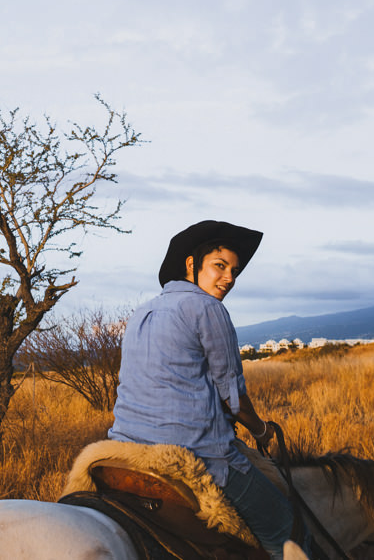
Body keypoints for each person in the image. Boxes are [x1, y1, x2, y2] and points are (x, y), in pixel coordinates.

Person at [108, 220, 295, 560]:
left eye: (234, 271)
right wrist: (262, 430)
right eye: (219, 266)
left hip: (126, 445)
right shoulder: (209, 308)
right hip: (197, 452)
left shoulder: (141, 311)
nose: (230, 279)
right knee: (285, 526)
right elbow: (233, 399)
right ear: (192, 265)